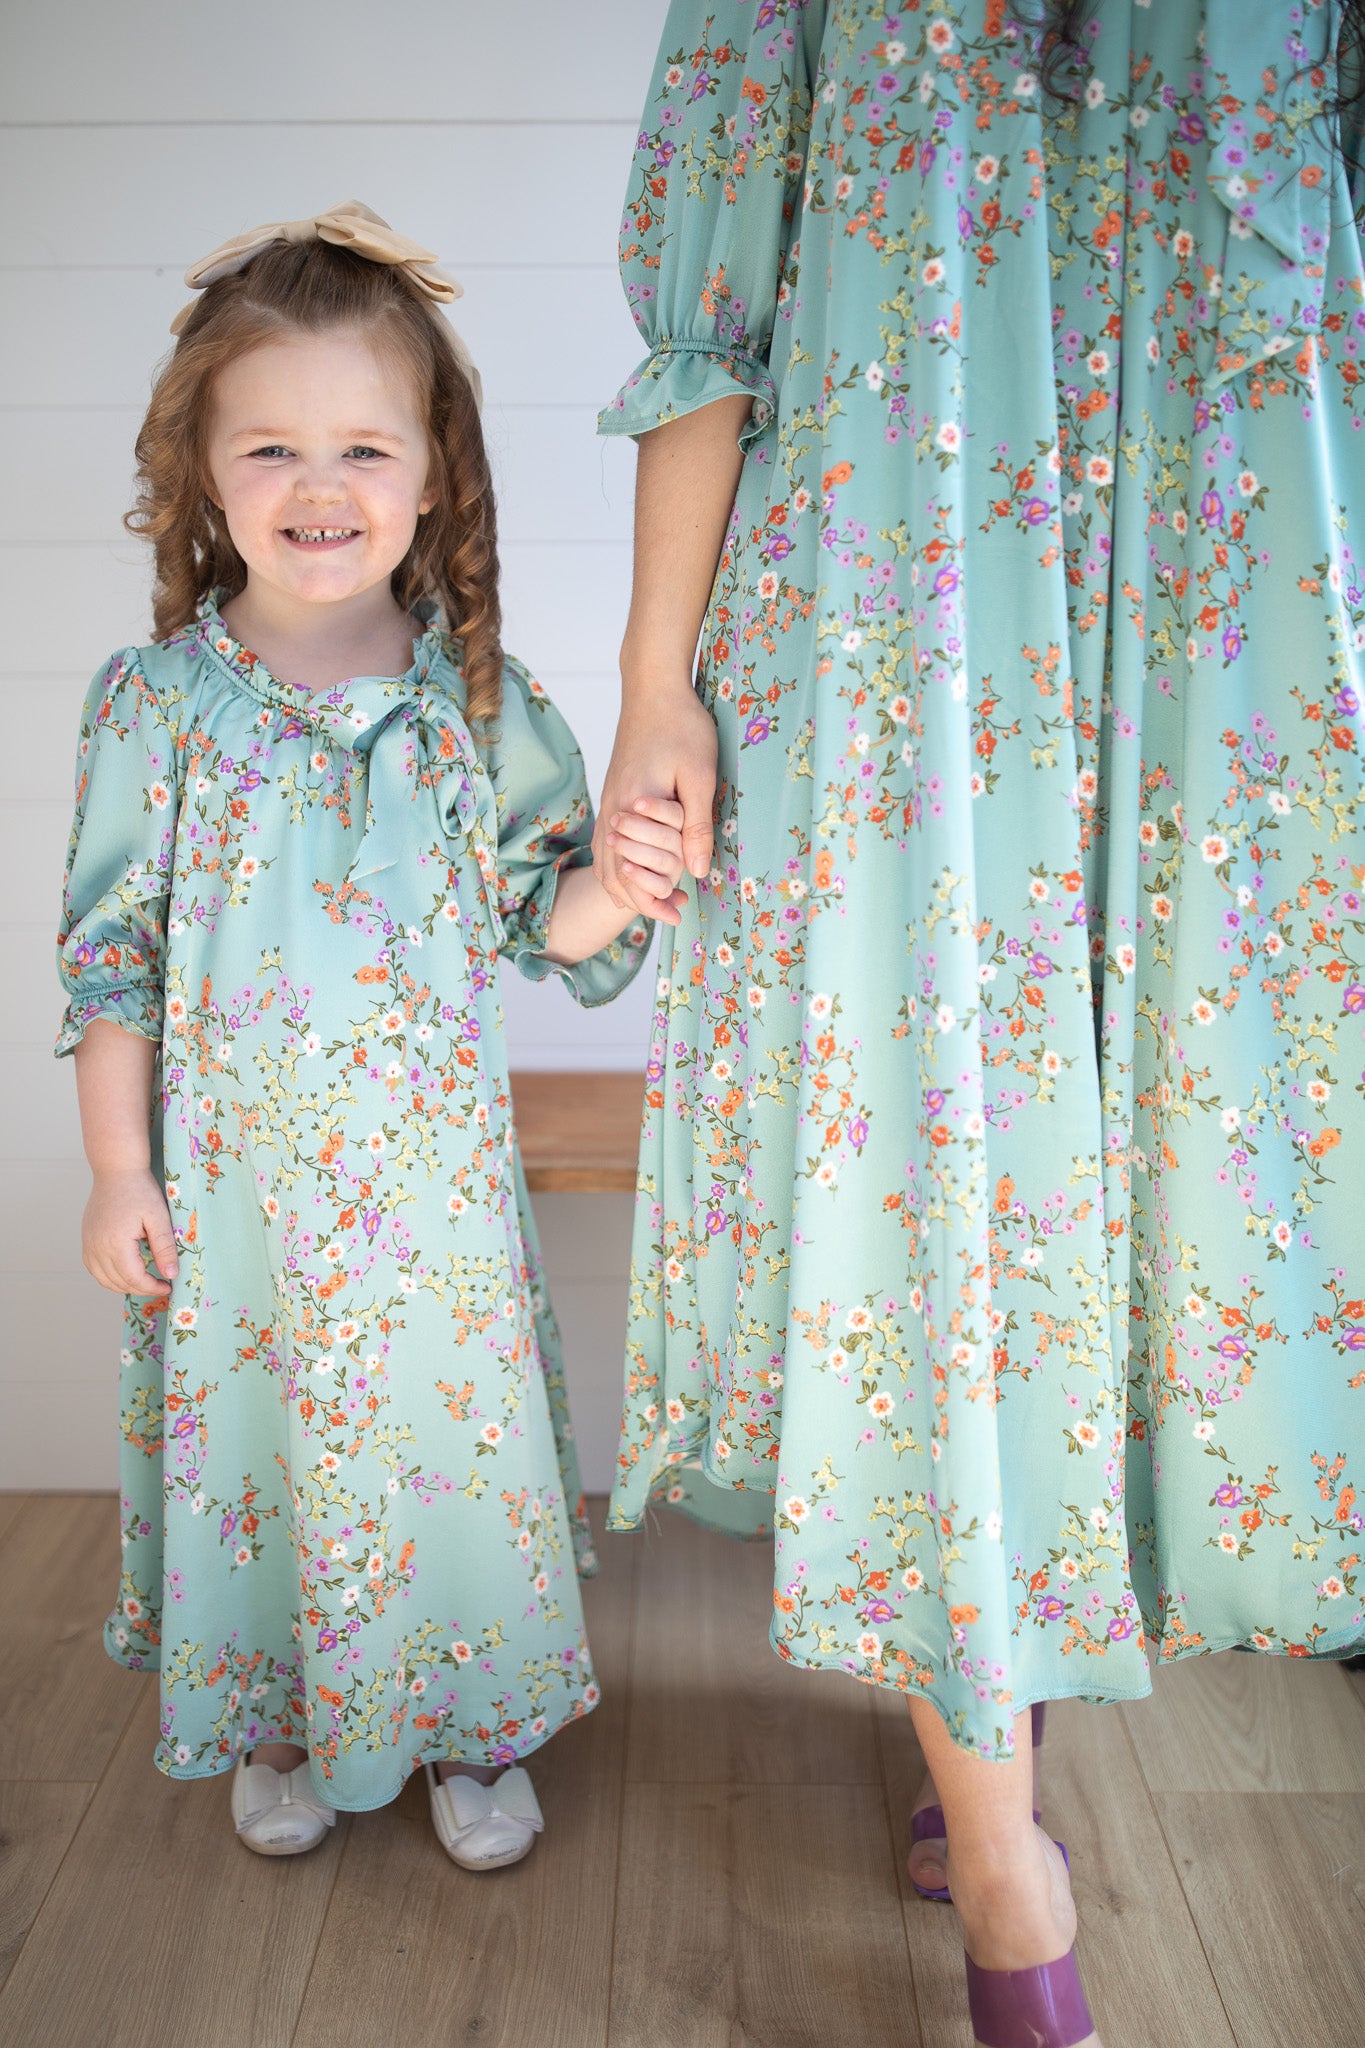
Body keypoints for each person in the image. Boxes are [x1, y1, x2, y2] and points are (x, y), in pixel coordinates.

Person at [593, 5, 1365, 2042]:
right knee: (941, 1176)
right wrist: (654, 683)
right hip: (895, 598)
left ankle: (997, 1704)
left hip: (1233, 610)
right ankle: (1009, 1863)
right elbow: (712, 314)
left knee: (1164, 1181)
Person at [57, 201, 687, 1867]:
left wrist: (623, 879)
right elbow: (111, 967)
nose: (318, 485)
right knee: (263, 1464)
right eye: (269, 447)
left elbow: (541, 919)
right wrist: (119, 1169)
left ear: (430, 475)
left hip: (429, 1221)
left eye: (362, 447)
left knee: (439, 1469)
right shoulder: (154, 707)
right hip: (240, 1217)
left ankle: (470, 1727)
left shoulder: (476, 702)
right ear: (201, 474)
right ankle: (279, 1719)